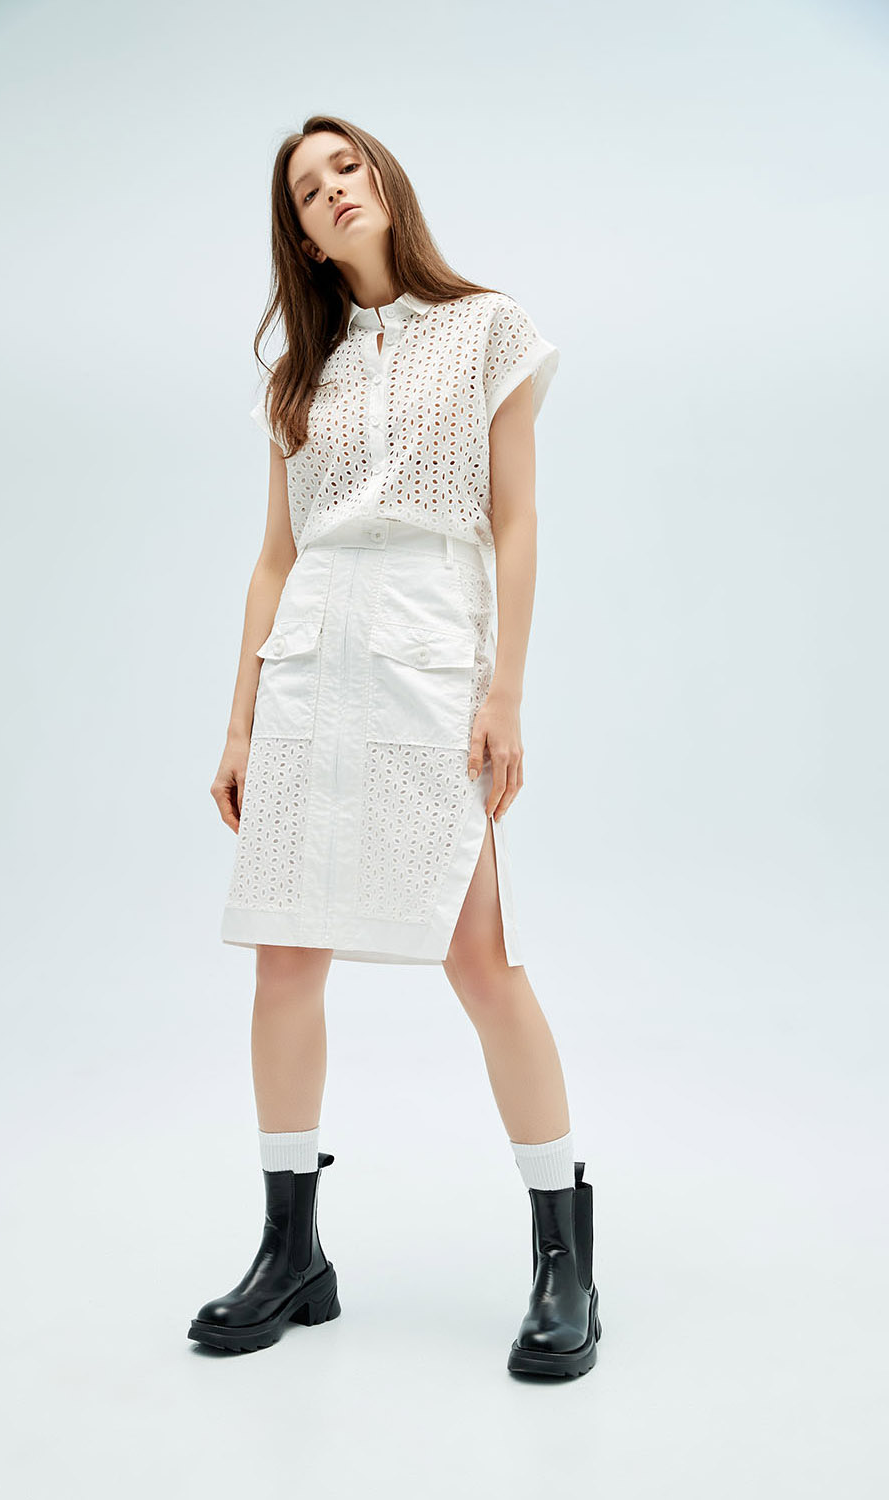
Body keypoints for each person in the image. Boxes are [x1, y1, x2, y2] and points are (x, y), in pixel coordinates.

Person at [188, 115, 601, 1379]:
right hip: (311, 665)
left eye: (345, 166)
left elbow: (516, 519)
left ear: (381, 177)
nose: (332, 192)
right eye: (307, 192)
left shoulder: (485, 329)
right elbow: (274, 557)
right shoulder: (295, 379)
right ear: (302, 238)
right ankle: (291, 1253)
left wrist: (506, 692)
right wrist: (239, 716)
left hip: (432, 659)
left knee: (479, 957)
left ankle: (565, 1261)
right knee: (284, 957)